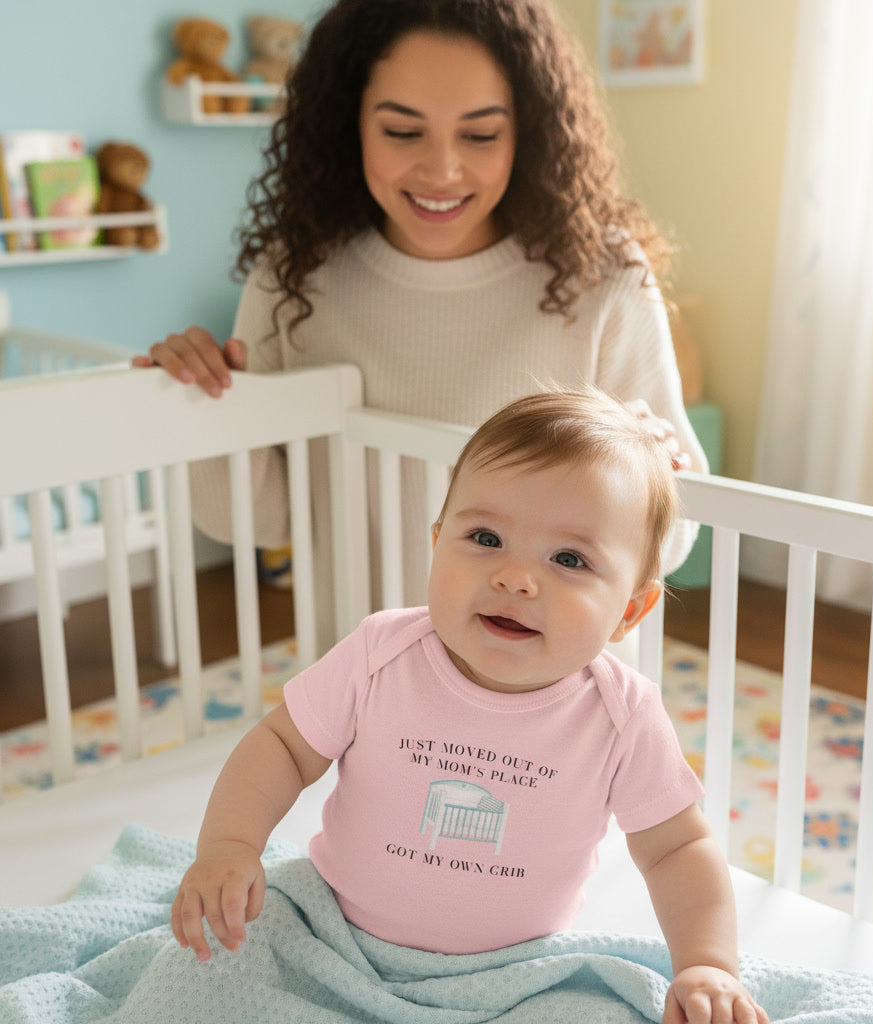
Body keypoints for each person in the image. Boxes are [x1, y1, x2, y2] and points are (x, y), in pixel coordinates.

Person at [171, 387, 768, 1024]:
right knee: (206, 968)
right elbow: (283, 748)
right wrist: (230, 846)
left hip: (516, 975)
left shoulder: (621, 714)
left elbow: (676, 849)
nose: (515, 578)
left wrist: (707, 964)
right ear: (437, 543)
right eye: (485, 537)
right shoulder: (382, 653)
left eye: (569, 559)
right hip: (330, 931)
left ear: (629, 610)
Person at [133, 0, 708, 653]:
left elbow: (678, 534)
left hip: (552, 703)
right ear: (347, 125)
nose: (441, 171)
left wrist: (651, 471)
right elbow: (255, 521)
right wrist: (204, 403)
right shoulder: (295, 279)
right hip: (371, 684)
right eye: (403, 133)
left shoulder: (600, 276)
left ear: (530, 132)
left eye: (481, 135)